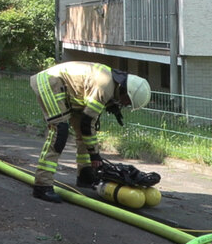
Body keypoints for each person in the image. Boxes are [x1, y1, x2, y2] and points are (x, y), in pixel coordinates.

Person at [28, 61, 151, 203]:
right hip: (50, 82)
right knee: (59, 132)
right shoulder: (105, 87)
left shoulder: (113, 83)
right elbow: (87, 123)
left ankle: (85, 175)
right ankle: (42, 185)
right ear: (125, 91)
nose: (125, 105)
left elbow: (87, 123)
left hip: (69, 89)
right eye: (127, 102)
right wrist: (95, 155)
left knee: (82, 133)